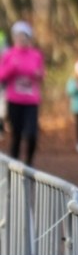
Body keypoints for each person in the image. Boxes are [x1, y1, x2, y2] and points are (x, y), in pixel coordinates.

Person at [0, 21, 46, 165]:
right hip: (14, 100)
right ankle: (14, 164)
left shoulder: (36, 55)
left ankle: (29, 163)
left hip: (31, 101)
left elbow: (41, 74)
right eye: (18, 36)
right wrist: (12, 68)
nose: (21, 39)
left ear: (29, 38)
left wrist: (37, 74)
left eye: (24, 36)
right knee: (16, 134)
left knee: (32, 134)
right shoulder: (9, 55)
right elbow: (2, 75)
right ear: (14, 38)